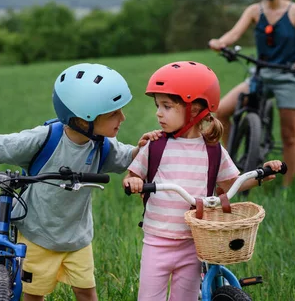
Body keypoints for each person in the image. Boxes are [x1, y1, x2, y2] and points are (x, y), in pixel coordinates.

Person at [0, 63, 161, 301]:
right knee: (33, 295)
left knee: (86, 293)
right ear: (83, 119)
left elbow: (126, 157)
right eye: (113, 113)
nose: (122, 118)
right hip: (37, 236)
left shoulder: (101, 144)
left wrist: (140, 149)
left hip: (77, 238)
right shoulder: (45, 138)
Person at [122, 61, 284, 301]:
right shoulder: (156, 145)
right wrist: (132, 182)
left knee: (185, 298)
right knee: (149, 297)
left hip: (193, 242)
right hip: (157, 241)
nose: (158, 113)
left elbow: (231, 184)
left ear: (195, 110)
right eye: (158, 106)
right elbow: (133, 176)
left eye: (166, 106)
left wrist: (259, 176)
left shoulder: (213, 150)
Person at [208, 0, 295, 188]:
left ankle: (287, 186)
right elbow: (234, 33)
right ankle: (231, 166)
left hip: (289, 75)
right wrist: (220, 42)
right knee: (220, 111)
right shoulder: (254, 11)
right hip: (260, 74)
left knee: (289, 135)